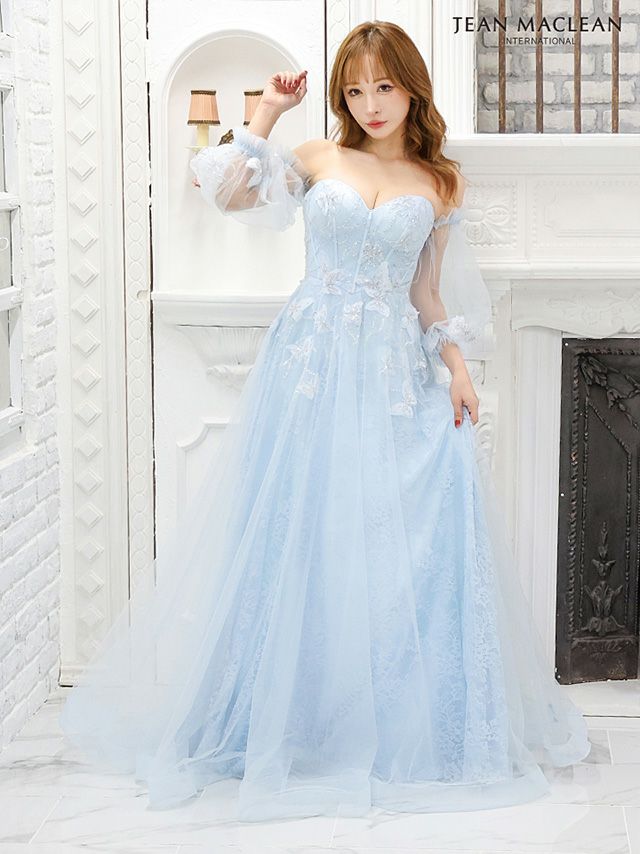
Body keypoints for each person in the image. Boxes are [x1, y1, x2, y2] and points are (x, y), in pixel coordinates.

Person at [60, 20, 591, 822]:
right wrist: (269, 114)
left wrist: (457, 368)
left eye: (385, 86)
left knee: (386, 539)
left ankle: (390, 723)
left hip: (391, 372)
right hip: (309, 367)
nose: (370, 103)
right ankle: (282, 722)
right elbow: (228, 194)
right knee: (298, 531)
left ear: (411, 89)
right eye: (355, 89)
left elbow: (426, 292)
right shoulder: (316, 157)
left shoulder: (438, 181)